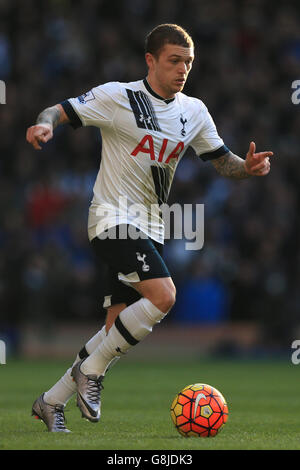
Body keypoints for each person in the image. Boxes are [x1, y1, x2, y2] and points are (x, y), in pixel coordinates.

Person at [26, 24, 273, 432]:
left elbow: (221, 160)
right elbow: (61, 109)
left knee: (113, 330)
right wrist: (46, 124)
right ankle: (92, 373)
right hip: (111, 218)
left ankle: (50, 402)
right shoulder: (117, 97)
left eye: (188, 63)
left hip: (151, 227)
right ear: (150, 60)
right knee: (164, 295)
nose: (182, 70)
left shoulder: (193, 112)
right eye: (174, 61)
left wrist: (246, 168)